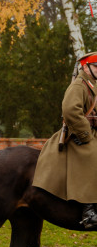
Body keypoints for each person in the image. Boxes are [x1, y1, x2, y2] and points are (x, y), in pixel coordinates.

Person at [32, 50, 97, 229]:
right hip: (78, 134)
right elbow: (70, 110)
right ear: (86, 66)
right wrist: (85, 135)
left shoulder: (92, 85)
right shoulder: (79, 85)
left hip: (90, 131)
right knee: (93, 156)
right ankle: (88, 210)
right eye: (96, 66)